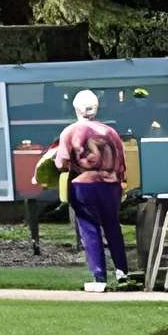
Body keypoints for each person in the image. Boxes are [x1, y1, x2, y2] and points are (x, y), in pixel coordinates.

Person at [49, 89, 132, 292]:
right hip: (111, 185)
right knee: (113, 227)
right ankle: (122, 273)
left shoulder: (69, 132)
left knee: (89, 229)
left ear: (76, 108)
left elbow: (61, 163)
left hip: (83, 186)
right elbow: (121, 163)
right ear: (96, 109)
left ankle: (99, 277)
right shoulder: (110, 133)